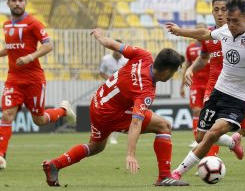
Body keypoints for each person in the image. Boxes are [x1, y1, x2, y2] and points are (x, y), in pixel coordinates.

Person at [42, 28, 189, 187]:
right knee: (164, 125)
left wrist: (100, 37)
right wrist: (130, 154)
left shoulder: (143, 55)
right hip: (110, 114)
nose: (172, 76)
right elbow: (135, 122)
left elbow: (112, 44)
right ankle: (164, 176)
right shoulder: (145, 90)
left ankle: (55, 164)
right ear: (167, 71)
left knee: (95, 146)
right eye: (173, 73)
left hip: (98, 102)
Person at [166, 0, 245, 180]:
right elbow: (204, 34)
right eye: (228, 19)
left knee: (221, 133)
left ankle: (177, 172)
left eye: (234, 20)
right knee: (201, 137)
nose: (230, 24)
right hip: (218, 92)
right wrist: (180, 31)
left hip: (241, 98)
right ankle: (233, 140)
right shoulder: (223, 31)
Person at [0, 0, 76, 169]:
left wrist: (30, 57)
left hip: (34, 79)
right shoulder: (6, 25)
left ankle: (63, 110)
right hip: (13, 79)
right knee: (6, 115)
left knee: (39, 120)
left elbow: (48, 45)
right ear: (8, 3)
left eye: (20, 0)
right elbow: (10, 48)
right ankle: (1, 156)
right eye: (14, 1)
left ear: (25, 3)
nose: (17, 3)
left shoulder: (33, 23)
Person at [180, 23, 210, 148]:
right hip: (196, 83)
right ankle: (197, 140)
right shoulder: (190, 48)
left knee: (208, 111)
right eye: (196, 30)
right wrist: (182, 85)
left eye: (200, 30)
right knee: (196, 110)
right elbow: (187, 66)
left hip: (210, 82)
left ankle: (208, 139)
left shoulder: (212, 45)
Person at [99, 39, 128, 144]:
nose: (116, 51)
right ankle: (104, 134)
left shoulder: (126, 60)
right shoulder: (106, 59)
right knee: (107, 111)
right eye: (114, 49)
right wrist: (110, 80)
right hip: (109, 89)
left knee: (120, 112)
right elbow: (101, 72)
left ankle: (114, 136)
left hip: (121, 90)